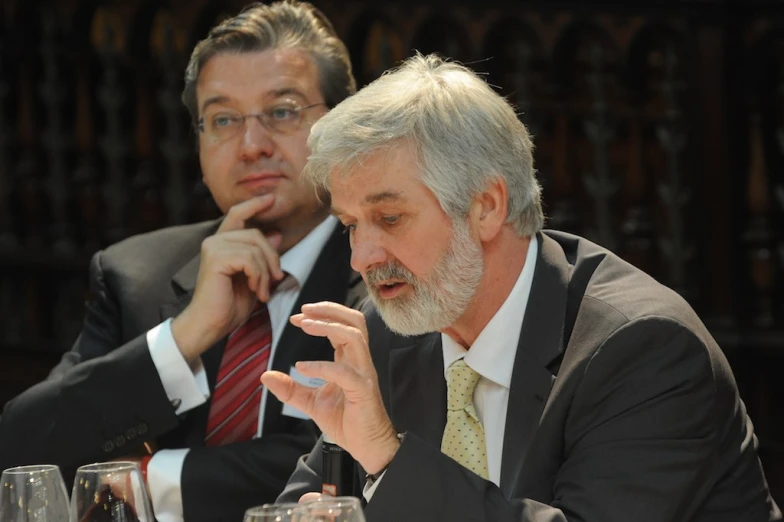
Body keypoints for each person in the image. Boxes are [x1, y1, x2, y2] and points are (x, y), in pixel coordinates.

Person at [262, 54, 783, 521]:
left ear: (487, 207)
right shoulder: (389, 331)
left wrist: (386, 458)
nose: (362, 257)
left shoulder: (643, 347)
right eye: (352, 224)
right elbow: (308, 505)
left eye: (391, 217)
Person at [0, 2, 364, 521]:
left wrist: (143, 479)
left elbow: (352, 466)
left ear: (342, 122)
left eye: (282, 111)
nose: (251, 145)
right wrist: (184, 336)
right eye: (222, 119)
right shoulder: (133, 273)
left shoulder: (383, 272)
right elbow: (22, 454)